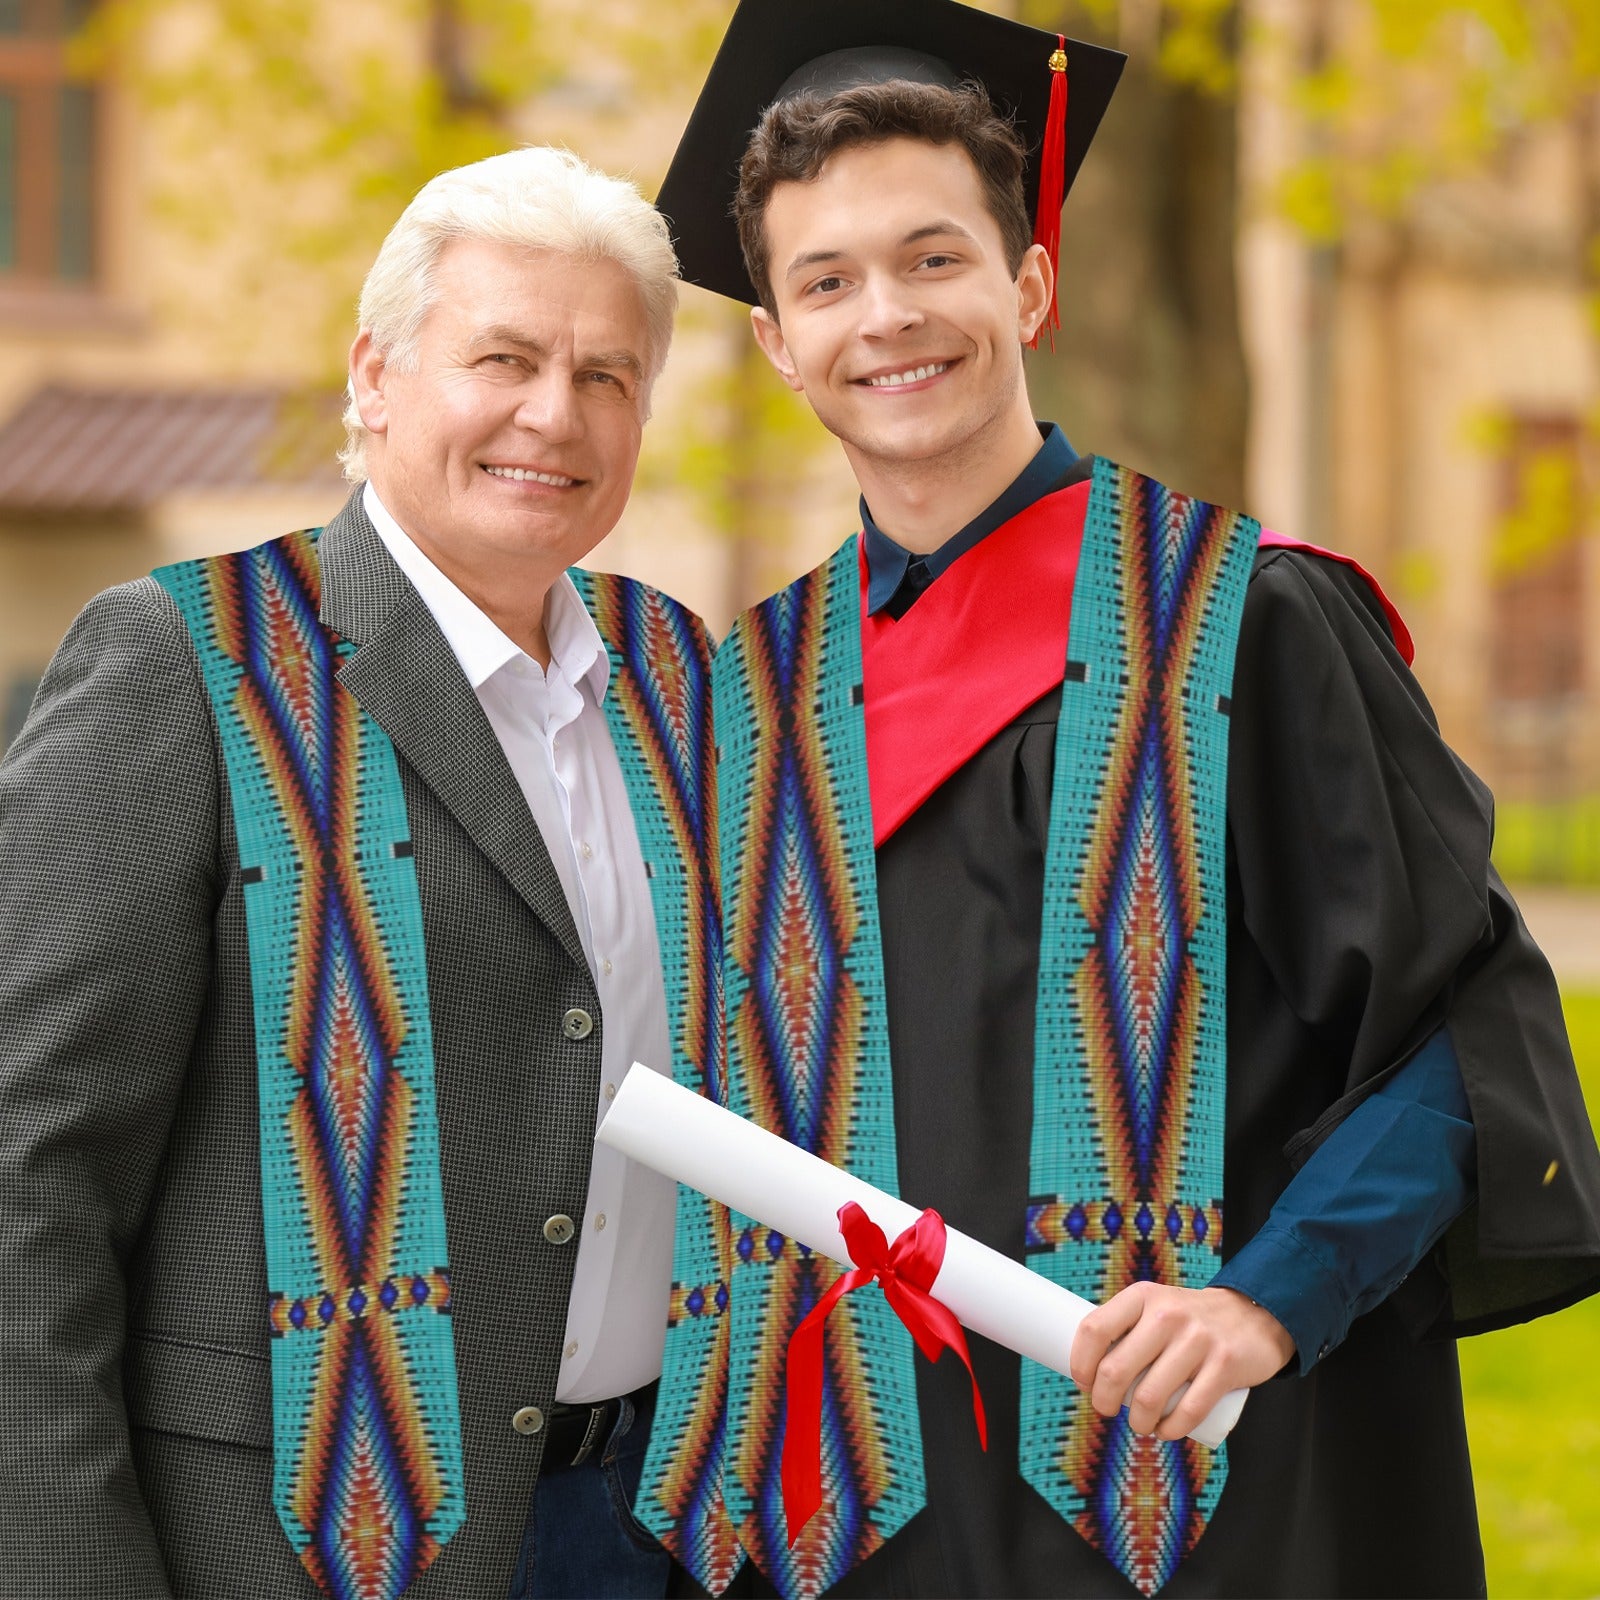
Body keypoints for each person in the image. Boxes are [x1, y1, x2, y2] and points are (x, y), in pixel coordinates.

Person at [641, 3, 1600, 1597]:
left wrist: (1268, 1299)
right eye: (826, 281)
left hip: (1206, 1495)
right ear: (775, 340)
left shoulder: (1248, 624)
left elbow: (1462, 1033)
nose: (887, 316)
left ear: (1028, 282)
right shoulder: (743, 702)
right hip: (857, 1526)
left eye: (934, 258)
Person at [0, 146, 723, 1600]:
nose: (553, 413)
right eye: (504, 357)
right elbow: (29, 1176)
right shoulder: (183, 663)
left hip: (653, 1528)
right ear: (376, 377)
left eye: (606, 375)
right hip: (294, 1545)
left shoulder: (679, 680)